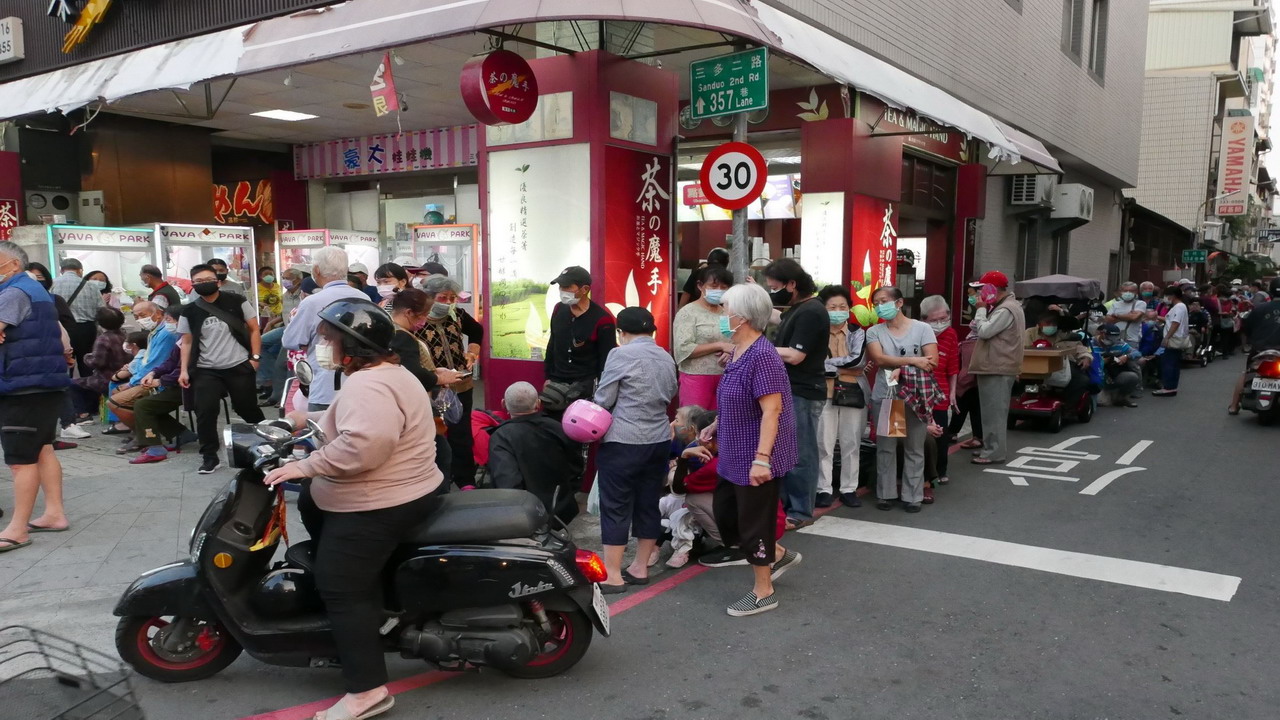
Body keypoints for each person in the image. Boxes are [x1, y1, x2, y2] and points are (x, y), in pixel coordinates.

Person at [262, 299, 444, 720]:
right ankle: (370, 622)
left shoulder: (368, 384)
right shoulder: (385, 373)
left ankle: (367, 692)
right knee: (316, 506)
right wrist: (299, 420)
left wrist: (303, 466)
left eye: (329, 339)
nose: (322, 345)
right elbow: (356, 423)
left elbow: (363, 446)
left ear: (354, 346)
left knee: (339, 585)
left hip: (383, 499)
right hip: (401, 489)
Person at [697, 283, 800, 616]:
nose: (721, 314)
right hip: (733, 450)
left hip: (755, 455)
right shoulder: (738, 351)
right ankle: (778, 552)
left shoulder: (763, 356)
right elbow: (736, 400)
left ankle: (763, 590)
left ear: (741, 317)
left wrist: (762, 460)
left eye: (725, 308)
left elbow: (772, 410)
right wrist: (716, 425)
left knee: (753, 522)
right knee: (728, 516)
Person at [592, 307, 679, 593]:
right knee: (648, 502)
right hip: (657, 440)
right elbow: (671, 393)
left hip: (623, 441)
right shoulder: (666, 356)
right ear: (652, 331)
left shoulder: (620, 354)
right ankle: (640, 568)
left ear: (622, 332)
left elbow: (604, 398)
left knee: (616, 505)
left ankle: (614, 574)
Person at [0, 242, 73, 553]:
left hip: (23, 386)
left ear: (14, 264)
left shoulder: (14, 293)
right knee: (42, 449)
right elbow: (63, 338)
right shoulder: (36, 290)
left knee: (21, 460)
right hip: (43, 382)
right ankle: (54, 513)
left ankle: (17, 529)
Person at [178, 263, 265, 473]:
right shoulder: (189, 310)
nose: (204, 284)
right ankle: (209, 456)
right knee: (205, 411)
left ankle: (268, 441)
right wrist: (183, 370)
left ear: (217, 281)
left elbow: (254, 329)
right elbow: (187, 341)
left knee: (246, 407)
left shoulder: (237, 301)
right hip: (206, 369)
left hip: (238, 364)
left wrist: (254, 358)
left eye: (208, 279)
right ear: (192, 285)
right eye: (198, 281)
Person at [763, 258, 828, 530]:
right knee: (788, 451)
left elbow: (796, 355)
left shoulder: (811, 312)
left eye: (774, 287)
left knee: (801, 452)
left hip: (803, 390)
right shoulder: (798, 309)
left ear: (792, 284)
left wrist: (757, 349)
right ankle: (789, 507)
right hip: (791, 390)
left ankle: (800, 511)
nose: (772, 292)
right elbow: (778, 317)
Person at [864, 287, 938, 512]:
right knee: (887, 445)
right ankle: (885, 493)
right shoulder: (875, 332)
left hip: (916, 395)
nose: (879, 306)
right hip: (888, 395)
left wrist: (902, 364)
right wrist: (915, 361)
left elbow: (932, 360)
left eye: (884, 301)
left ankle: (912, 495)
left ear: (899, 302)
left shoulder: (923, 328)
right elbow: (879, 359)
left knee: (914, 446)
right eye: (876, 303)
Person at [388, 288, 466, 479]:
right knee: (440, 454)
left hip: (400, 404)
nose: (424, 322)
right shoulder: (402, 336)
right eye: (422, 316)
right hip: (415, 405)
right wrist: (440, 378)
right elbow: (412, 372)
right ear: (408, 313)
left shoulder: (389, 329)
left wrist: (433, 371)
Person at [417, 274, 484, 488]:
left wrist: (472, 353)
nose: (448, 303)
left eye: (452, 298)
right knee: (434, 433)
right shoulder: (417, 320)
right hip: (432, 387)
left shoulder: (457, 315)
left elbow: (476, 330)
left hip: (462, 384)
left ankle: (466, 479)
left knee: (462, 433)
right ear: (428, 297)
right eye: (443, 297)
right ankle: (438, 480)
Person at [283, 247, 369, 412]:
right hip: (358, 383)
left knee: (322, 432)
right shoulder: (364, 298)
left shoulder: (312, 302)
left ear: (316, 270)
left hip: (324, 385)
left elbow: (290, 340)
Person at [488, 381, 584, 525]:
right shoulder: (558, 428)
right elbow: (576, 465)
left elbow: (507, 480)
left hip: (525, 515)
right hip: (562, 509)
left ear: (503, 404)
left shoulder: (502, 436)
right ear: (538, 403)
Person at [815, 285, 867, 509]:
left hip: (852, 393)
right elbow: (813, 363)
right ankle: (823, 489)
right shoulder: (815, 332)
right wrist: (840, 368)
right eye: (832, 307)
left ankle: (849, 488)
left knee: (851, 443)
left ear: (849, 308)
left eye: (842, 306)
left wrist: (827, 366)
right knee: (823, 444)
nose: (838, 310)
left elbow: (858, 361)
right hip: (822, 393)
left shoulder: (858, 332)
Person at [968, 271, 1025, 465]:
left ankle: (994, 452)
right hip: (997, 366)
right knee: (992, 412)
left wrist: (981, 309)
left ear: (992, 289)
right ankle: (989, 448)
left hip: (997, 366)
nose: (979, 294)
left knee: (994, 413)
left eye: (982, 289)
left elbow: (985, 331)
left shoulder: (1005, 309)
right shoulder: (1007, 306)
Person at [542, 266, 616, 414]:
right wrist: (548, 377)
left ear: (584, 289)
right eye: (560, 286)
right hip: (555, 386)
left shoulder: (602, 320)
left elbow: (606, 361)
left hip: (584, 387)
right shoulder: (558, 309)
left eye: (567, 286)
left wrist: (601, 393)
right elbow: (552, 345)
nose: (562, 290)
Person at [112, 303, 184, 454]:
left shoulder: (169, 334)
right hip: (161, 378)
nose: (139, 320)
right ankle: (179, 433)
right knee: (120, 394)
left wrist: (153, 380)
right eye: (136, 316)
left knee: (122, 403)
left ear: (158, 314)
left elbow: (172, 366)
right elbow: (164, 362)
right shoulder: (157, 332)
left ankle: (145, 438)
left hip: (177, 384)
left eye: (143, 316)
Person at [672, 265, 734, 409]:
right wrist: (719, 346)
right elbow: (683, 348)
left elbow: (730, 339)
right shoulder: (688, 313)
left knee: (720, 424)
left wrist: (729, 350)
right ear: (700, 286)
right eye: (714, 286)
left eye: (724, 287)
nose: (719, 290)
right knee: (693, 423)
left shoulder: (726, 312)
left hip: (725, 377)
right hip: (696, 378)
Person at [921, 295, 960, 496]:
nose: (940, 324)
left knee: (941, 434)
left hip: (941, 392)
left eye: (944, 318)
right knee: (922, 434)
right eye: (934, 320)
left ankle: (940, 470)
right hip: (919, 392)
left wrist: (953, 393)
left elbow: (953, 366)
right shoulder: (917, 333)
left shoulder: (951, 334)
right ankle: (923, 472)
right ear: (924, 320)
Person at [68, 306, 129, 423]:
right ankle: (92, 408)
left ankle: (82, 414)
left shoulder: (103, 339)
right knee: (87, 383)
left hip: (106, 379)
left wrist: (86, 357)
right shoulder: (124, 335)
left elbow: (97, 362)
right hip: (125, 377)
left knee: (71, 384)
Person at [1228, 281, 1280, 414]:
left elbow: (1247, 327)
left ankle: (1234, 406)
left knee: (1247, 373)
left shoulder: (1259, 309)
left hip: (1261, 349)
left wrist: (1255, 341)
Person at [49, 257, 106, 377]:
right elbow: (101, 309)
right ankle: (88, 392)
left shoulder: (53, 283)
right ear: (80, 271)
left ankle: (67, 390)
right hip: (86, 329)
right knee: (86, 363)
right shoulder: (91, 286)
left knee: (64, 361)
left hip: (61, 329)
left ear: (61, 270)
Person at [949, 327, 984, 451]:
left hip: (967, 378)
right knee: (973, 407)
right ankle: (977, 436)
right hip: (976, 378)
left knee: (963, 405)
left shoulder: (967, 343)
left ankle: (953, 432)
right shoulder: (973, 343)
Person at [1153, 285, 1188, 397]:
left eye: (1166, 295)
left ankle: (1168, 387)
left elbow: (1175, 323)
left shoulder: (1179, 307)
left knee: (1169, 363)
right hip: (1176, 337)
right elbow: (1170, 320)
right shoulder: (1180, 307)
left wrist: (1167, 337)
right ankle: (1171, 386)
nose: (1165, 298)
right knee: (1173, 363)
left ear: (1172, 296)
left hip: (1173, 338)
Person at [1095, 324, 1141, 407]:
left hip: (1114, 374)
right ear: (1102, 334)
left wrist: (1126, 356)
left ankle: (1121, 397)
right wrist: (1101, 361)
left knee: (1132, 376)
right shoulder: (1091, 343)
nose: (1112, 341)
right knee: (1101, 402)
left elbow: (1137, 353)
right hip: (1097, 375)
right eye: (1109, 338)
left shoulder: (1119, 343)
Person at [1105, 282, 1147, 348]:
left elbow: (1134, 317)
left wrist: (1116, 315)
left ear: (1136, 292)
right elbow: (1108, 319)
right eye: (1125, 291)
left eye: (1131, 291)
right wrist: (1128, 316)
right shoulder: (1115, 304)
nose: (1128, 293)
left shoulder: (1140, 303)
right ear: (1121, 291)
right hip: (1115, 338)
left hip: (1132, 339)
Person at [256, 266, 284, 332]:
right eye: (266, 274)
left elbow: (281, 299)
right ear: (260, 276)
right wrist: (259, 303)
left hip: (278, 318)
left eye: (271, 274)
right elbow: (250, 301)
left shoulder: (277, 286)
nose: (269, 276)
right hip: (264, 318)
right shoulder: (256, 287)